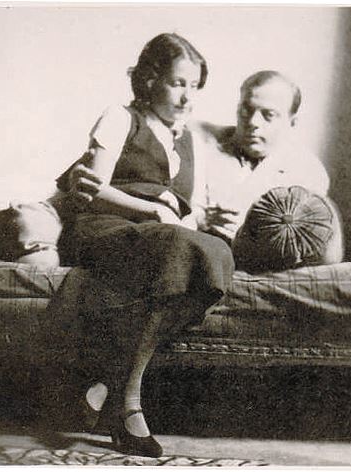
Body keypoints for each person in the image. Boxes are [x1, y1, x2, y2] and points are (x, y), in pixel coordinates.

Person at [53, 33, 234, 458]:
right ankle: (130, 403)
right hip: (106, 227)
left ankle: (109, 384)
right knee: (179, 246)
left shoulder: (190, 140)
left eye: (195, 86)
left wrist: (200, 222)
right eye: (178, 83)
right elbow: (90, 191)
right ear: (150, 80)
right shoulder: (120, 118)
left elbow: (191, 212)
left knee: (217, 252)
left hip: (162, 239)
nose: (188, 97)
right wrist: (151, 210)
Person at [190, 71, 340, 259]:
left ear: (292, 122)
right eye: (246, 110)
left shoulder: (307, 171)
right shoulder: (200, 143)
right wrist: (202, 219)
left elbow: (305, 244)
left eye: (268, 115)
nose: (253, 122)